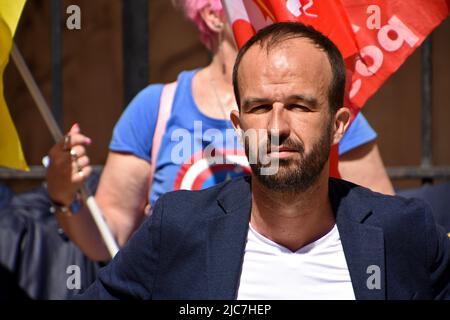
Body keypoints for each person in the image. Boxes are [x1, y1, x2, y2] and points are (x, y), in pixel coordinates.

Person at [78, 22, 450, 300]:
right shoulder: (177, 227)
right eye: (259, 108)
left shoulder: (404, 232)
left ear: (338, 126)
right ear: (239, 126)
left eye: (298, 106)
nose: (276, 127)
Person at [46, 0, 393, 263]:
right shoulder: (155, 107)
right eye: (261, 5)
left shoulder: (318, 111)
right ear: (214, 15)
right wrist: (64, 196)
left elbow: (382, 226)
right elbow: (112, 235)